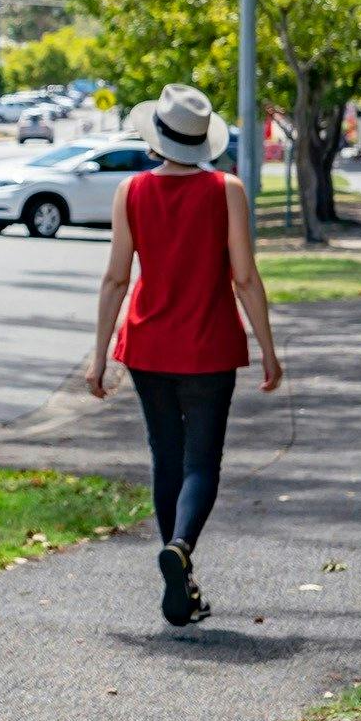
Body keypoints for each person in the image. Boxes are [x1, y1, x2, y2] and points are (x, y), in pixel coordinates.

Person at [88, 83, 283, 626]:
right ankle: (181, 549)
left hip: (147, 346)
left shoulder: (130, 192)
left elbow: (115, 279)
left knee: (165, 458)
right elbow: (244, 277)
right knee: (201, 462)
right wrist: (268, 350)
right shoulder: (227, 190)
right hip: (210, 346)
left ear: (158, 136)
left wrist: (98, 357)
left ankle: (180, 578)